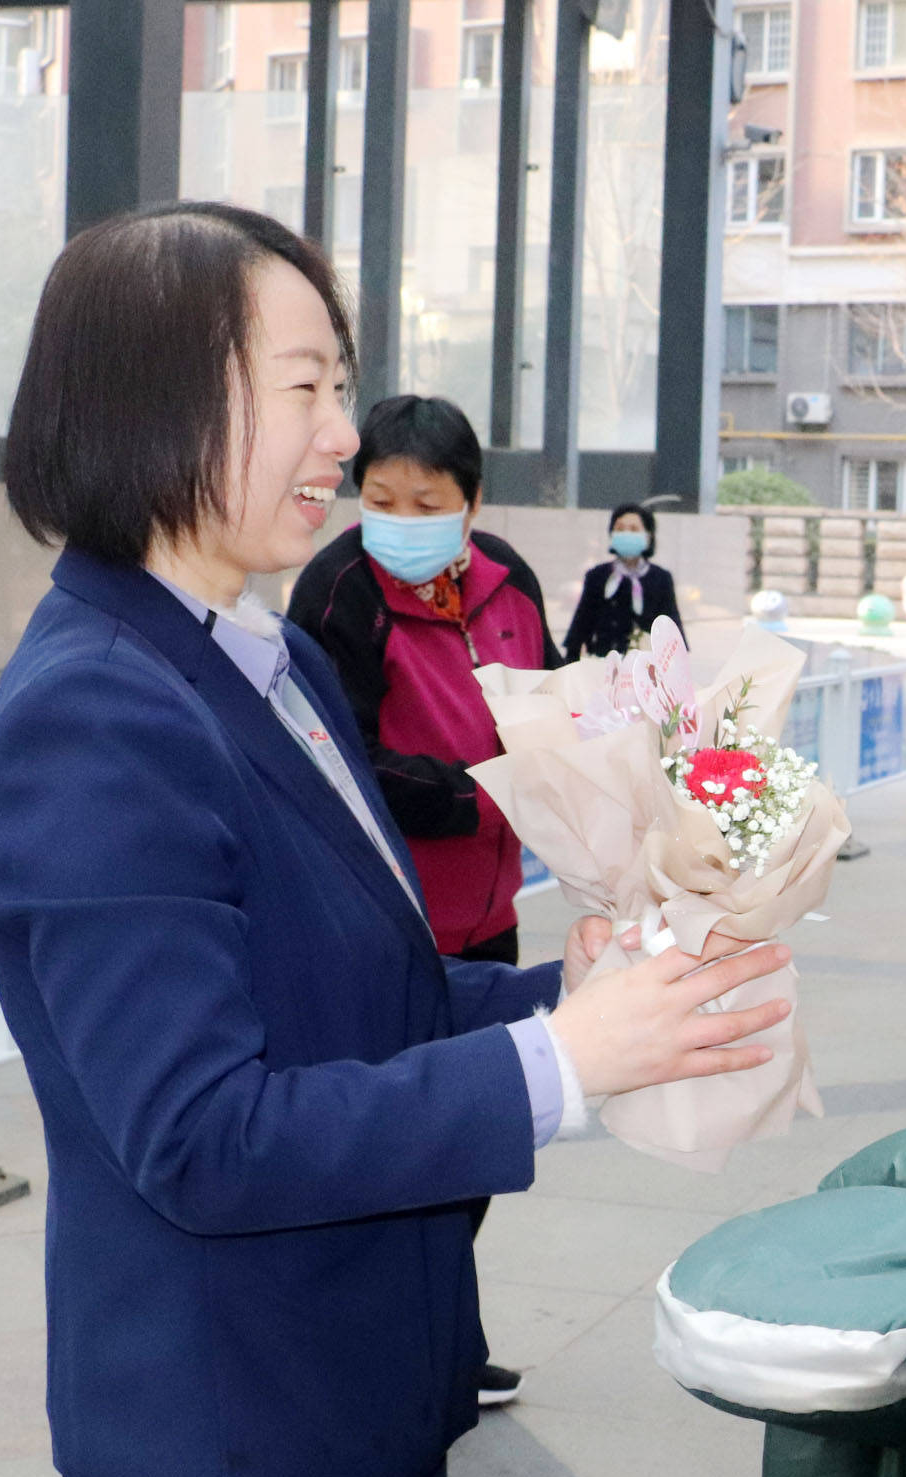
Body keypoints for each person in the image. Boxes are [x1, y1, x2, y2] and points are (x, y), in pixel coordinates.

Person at [0, 201, 790, 1477]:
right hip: (240, 1444)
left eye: (336, 384)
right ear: (153, 402)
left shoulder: (263, 652)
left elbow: (360, 1001)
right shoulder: (97, 712)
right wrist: (562, 1067)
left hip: (345, 1401)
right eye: (299, 387)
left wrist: (566, 1001)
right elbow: (202, 1135)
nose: (341, 436)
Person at [286, 392, 557, 1414]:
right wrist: (468, 793)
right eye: (380, 498)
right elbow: (335, 758)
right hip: (386, 921)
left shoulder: (511, 584)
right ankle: (402, 1346)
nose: (398, 518)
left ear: (472, 502)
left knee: (486, 1128)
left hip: (491, 908)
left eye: (425, 500)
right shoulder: (336, 588)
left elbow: (553, 705)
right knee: (406, 1137)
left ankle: (441, 1337)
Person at [561, 502, 683, 658]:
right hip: (602, 666)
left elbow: (672, 631)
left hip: (645, 670)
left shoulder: (661, 579)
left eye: (634, 529)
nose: (626, 533)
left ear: (648, 536)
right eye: (620, 529)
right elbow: (580, 626)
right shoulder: (597, 576)